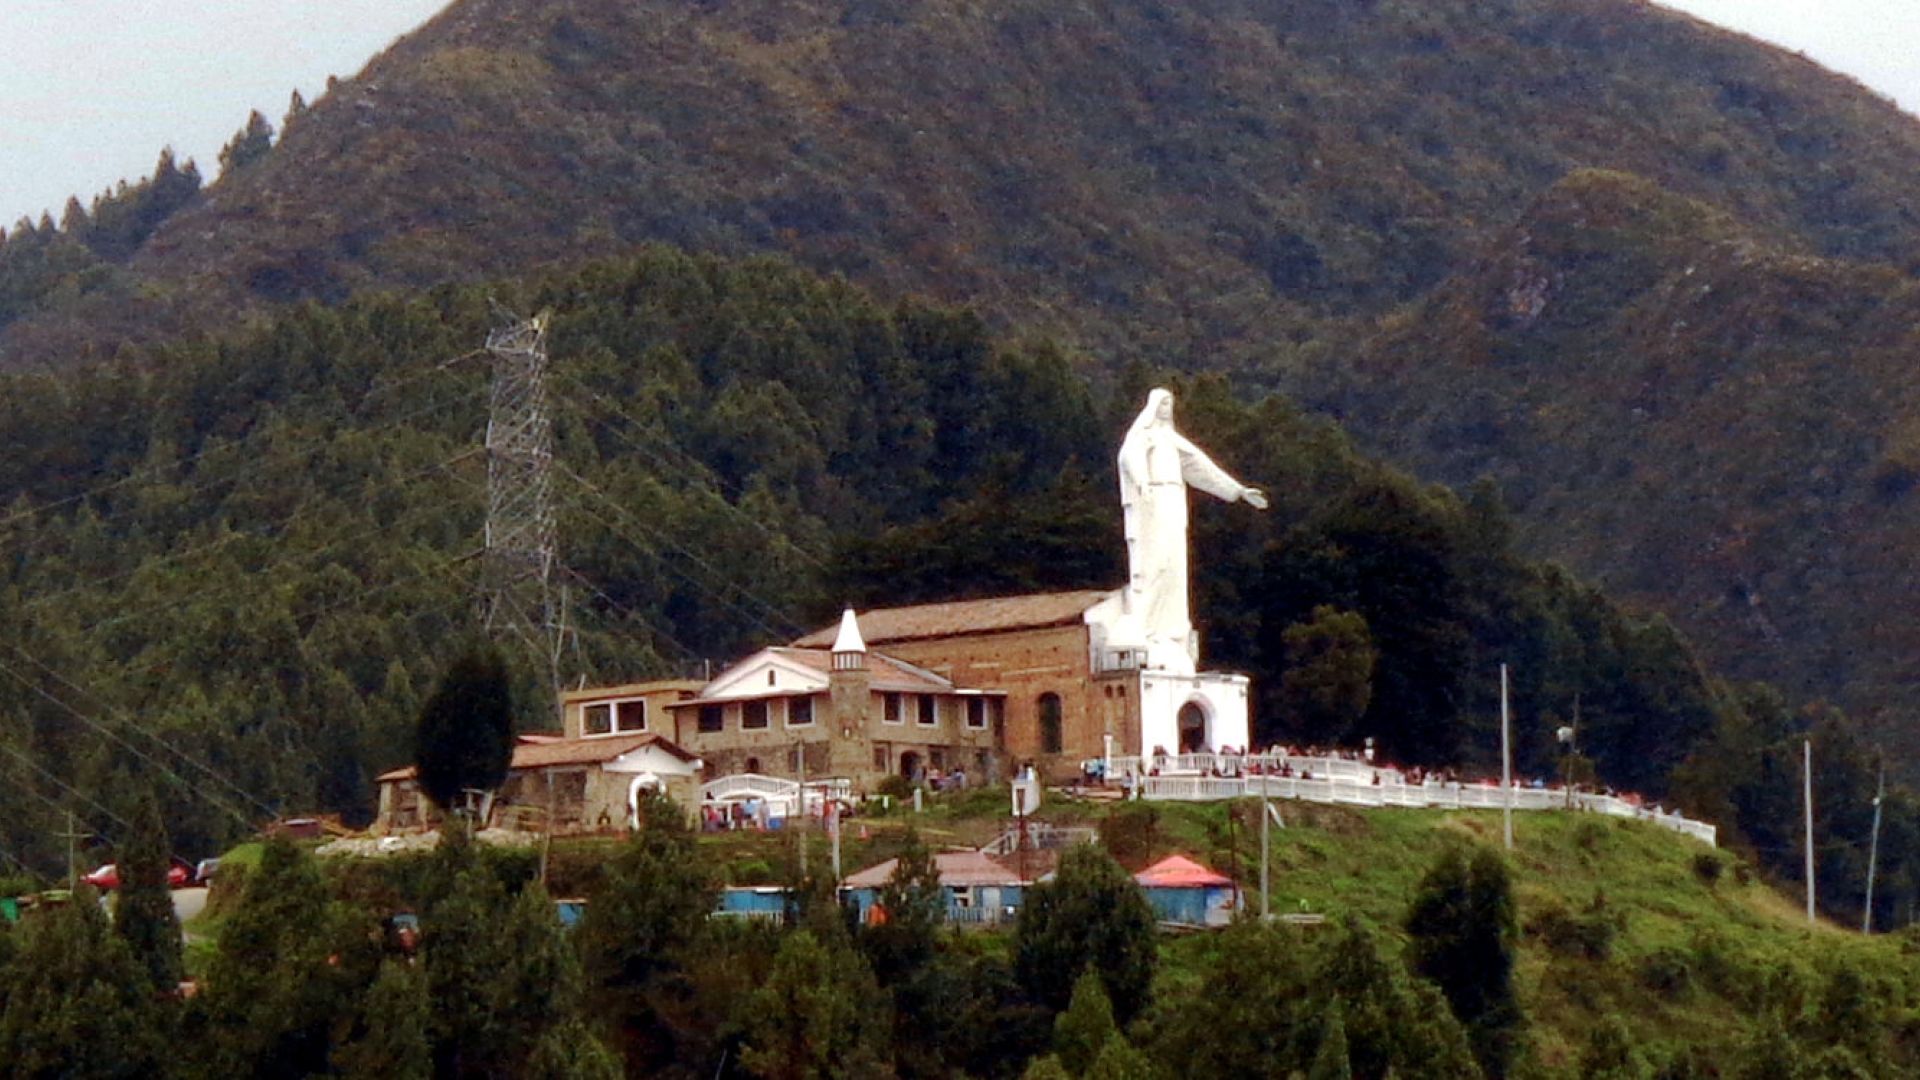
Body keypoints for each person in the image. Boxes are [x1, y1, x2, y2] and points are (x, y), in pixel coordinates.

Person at [1116, 389, 1267, 673]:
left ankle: (1171, 631)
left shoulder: (1172, 440)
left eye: (1170, 403)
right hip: (1154, 499)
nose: (1166, 408)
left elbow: (1202, 467)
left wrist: (1238, 491)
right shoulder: (1144, 435)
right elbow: (1128, 456)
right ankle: (1148, 628)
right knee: (1157, 563)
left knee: (1175, 565)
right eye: (1162, 403)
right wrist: (1143, 481)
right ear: (1152, 406)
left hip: (1175, 498)